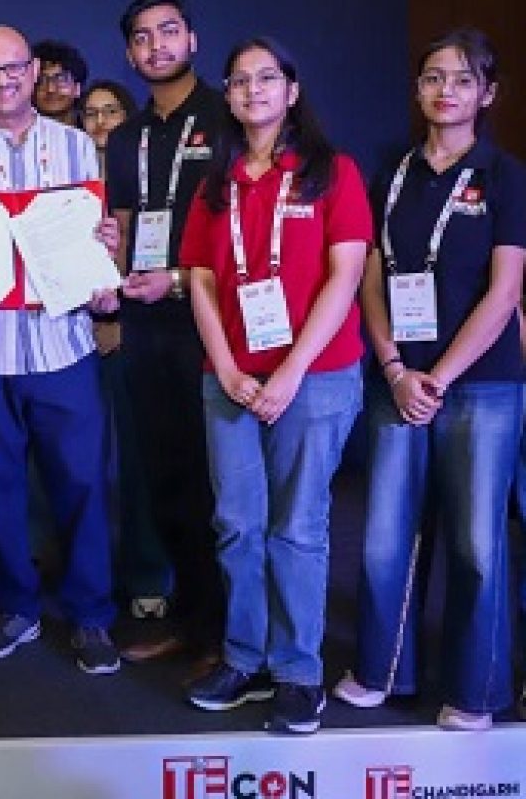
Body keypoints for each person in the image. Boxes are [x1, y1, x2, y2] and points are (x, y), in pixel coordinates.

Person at [333, 28, 526, 731]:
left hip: (481, 384)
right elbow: (371, 278)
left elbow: (505, 293)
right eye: (434, 78)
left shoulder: (504, 175)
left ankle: (475, 691)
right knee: (386, 537)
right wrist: (393, 365)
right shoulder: (393, 172)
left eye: (463, 79)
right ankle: (381, 671)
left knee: (477, 544)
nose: (447, 91)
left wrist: (438, 376)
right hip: (398, 378)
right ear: (418, 90)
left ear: (487, 93)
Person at [180, 36, 370, 734]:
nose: (252, 90)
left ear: (292, 90)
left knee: (297, 527)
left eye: (267, 78)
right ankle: (245, 658)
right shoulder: (216, 182)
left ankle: (297, 671)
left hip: (313, 377)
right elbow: (201, 280)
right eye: (239, 80)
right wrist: (228, 366)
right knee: (237, 523)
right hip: (230, 377)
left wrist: (289, 371)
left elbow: (345, 277)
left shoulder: (332, 172)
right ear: (228, 96)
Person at [0, 24, 121, 675]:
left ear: (34, 72)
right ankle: (16, 606)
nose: (2, 81)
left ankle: (91, 615)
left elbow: (96, 235)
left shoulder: (76, 147)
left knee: (82, 483)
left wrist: (106, 249)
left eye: (13, 69)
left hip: (63, 344)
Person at [106, 0, 226, 662]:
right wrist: (109, 254)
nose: (157, 46)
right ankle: (190, 620)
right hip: (146, 323)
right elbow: (125, 228)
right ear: (130, 54)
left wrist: (178, 278)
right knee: (166, 478)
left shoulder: (228, 117)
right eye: (143, 37)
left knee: (217, 485)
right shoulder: (127, 137)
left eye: (169, 31)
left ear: (192, 40)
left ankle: (230, 634)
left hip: (212, 324)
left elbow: (245, 231)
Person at [79, 80, 171, 614]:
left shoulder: (150, 173)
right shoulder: (65, 177)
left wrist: (119, 319)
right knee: (80, 466)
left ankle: (147, 575)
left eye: (111, 111)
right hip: (74, 336)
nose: (101, 122)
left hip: (139, 332)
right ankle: (85, 574)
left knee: (140, 464)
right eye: (90, 113)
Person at [31, 39, 88, 126]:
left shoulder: (92, 131)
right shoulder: (17, 132)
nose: (51, 89)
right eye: (41, 81)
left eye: (60, 80)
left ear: (77, 88)